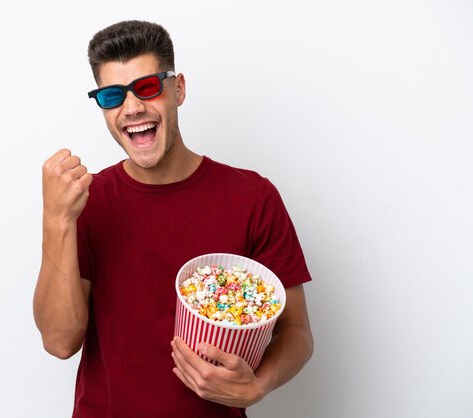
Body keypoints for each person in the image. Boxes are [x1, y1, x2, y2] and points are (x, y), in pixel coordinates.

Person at [33, 20, 314, 418]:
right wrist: (56, 221)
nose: (132, 108)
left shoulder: (253, 198)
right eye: (113, 96)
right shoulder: (86, 202)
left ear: (177, 89)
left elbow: (297, 332)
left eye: (147, 88)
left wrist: (259, 384)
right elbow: (60, 342)